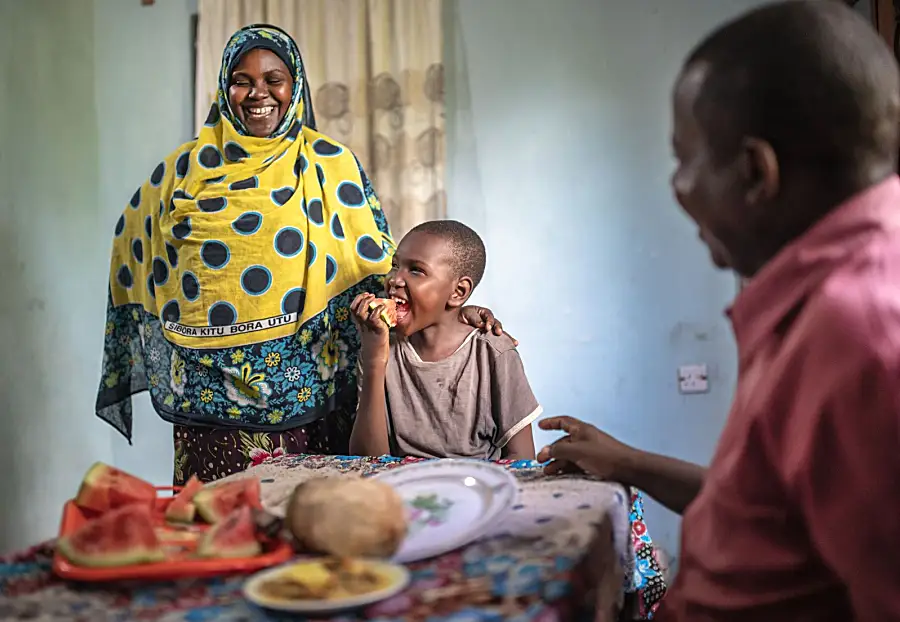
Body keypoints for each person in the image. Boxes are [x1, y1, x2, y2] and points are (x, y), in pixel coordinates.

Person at [540, 1, 900, 620]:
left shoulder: (859, 332)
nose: (677, 186)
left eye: (684, 159)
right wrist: (628, 462)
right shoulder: (824, 288)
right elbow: (775, 518)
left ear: (756, 173)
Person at [96, 24, 505, 485]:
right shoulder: (178, 173)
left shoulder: (330, 164)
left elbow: (378, 268)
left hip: (314, 401)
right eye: (242, 80)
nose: (258, 93)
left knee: (314, 536)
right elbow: (132, 254)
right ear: (223, 87)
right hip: (208, 411)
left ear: (295, 87)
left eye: (274, 79)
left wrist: (455, 312)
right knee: (226, 539)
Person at [349, 220, 538, 460]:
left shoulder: (493, 351)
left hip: (474, 488)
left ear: (458, 292)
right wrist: (375, 359)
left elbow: (522, 460)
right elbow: (367, 461)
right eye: (395, 265)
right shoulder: (379, 347)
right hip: (401, 488)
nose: (395, 279)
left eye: (416, 270)